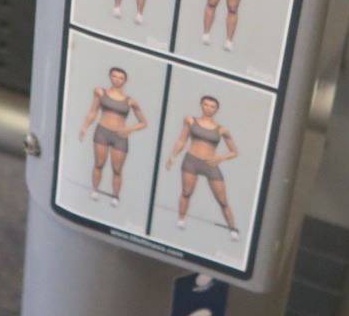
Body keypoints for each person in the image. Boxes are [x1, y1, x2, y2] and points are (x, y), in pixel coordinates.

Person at [165, 96, 239, 239]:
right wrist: (173, 156)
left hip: (211, 164)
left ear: (217, 109)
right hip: (191, 161)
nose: (208, 108)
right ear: (201, 105)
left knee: (223, 200)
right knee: (186, 192)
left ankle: (233, 229)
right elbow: (182, 140)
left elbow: (234, 152)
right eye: (206, 105)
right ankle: (181, 219)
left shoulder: (222, 130)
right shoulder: (190, 121)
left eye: (212, 106)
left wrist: (220, 158)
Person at [75, 67, 147, 207]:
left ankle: (115, 196)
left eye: (120, 77)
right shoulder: (100, 92)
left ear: (125, 81)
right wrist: (85, 127)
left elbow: (143, 122)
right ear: (109, 76)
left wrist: (129, 129)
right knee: (99, 163)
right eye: (114, 76)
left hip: (120, 136)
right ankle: (95, 190)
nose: (117, 80)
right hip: (102, 131)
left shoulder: (130, 101)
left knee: (117, 169)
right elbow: (93, 112)